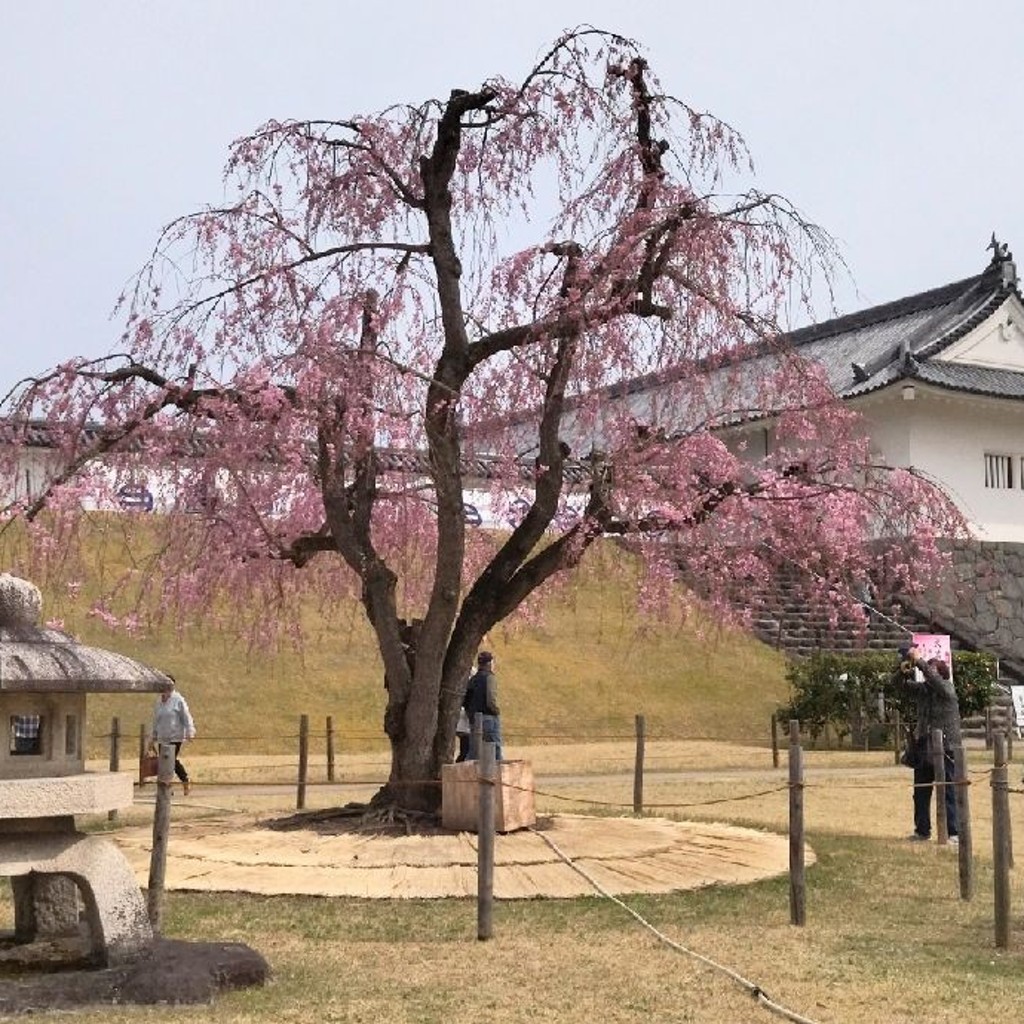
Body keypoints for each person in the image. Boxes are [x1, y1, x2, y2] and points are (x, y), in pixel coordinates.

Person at [894, 644, 960, 844]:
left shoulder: (947, 689)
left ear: (940, 674)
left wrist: (921, 661)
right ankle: (922, 830)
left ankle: (953, 832)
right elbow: (897, 685)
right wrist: (902, 668)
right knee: (921, 792)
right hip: (924, 746)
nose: (926, 675)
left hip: (946, 748)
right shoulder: (922, 691)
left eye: (931, 671)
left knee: (948, 791)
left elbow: (936, 682)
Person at [150, 674, 197, 794]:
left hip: (175, 736)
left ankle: (172, 784)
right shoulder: (159, 701)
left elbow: (187, 717)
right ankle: (176, 783)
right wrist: (153, 736)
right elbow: (156, 719)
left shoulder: (178, 700)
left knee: (169, 760)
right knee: (165, 761)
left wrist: (190, 731)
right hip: (162, 737)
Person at [463, 650, 502, 761]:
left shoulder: (473, 679)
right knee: (495, 748)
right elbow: (491, 700)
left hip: (474, 719)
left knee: (474, 750)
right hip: (489, 717)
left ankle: (469, 773)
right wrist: (496, 711)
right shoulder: (490, 677)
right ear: (490, 663)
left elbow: (465, 700)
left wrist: (471, 715)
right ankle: (498, 773)